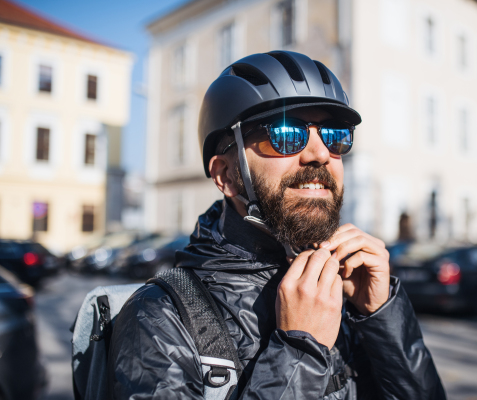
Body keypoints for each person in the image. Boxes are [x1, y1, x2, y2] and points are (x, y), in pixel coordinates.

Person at [108, 50, 446, 399]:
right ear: (226, 174)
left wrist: (383, 318)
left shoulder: (345, 291)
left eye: (335, 135)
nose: (319, 154)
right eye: (285, 134)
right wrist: (299, 351)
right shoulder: (159, 317)